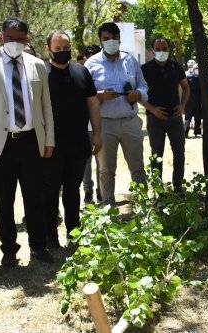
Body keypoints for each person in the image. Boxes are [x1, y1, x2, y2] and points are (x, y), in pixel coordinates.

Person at [0, 17, 55, 267]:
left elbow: (45, 106)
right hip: (0, 143)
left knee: (35, 198)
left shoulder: (37, 65)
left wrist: (49, 138)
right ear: (1, 37)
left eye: (20, 39)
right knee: (4, 200)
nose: (14, 43)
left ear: (27, 39)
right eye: (10, 38)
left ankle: (38, 246)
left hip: (31, 141)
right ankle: (9, 249)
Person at [42, 30, 101, 248]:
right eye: (57, 49)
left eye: (66, 48)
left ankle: (74, 232)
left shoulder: (81, 72)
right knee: (50, 190)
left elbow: (93, 104)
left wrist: (97, 133)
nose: (62, 52)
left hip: (78, 143)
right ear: (48, 49)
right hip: (51, 144)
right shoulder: (40, 73)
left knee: (72, 189)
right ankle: (50, 237)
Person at [85, 23, 148, 205]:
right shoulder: (91, 64)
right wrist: (100, 96)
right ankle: (108, 211)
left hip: (130, 122)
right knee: (106, 170)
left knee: (137, 168)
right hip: (104, 124)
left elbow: (144, 86)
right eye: (106, 39)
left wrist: (138, 94)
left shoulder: (130, 61)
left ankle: (143, 209)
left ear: (119, 39)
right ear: (100, 40)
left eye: (114, 38)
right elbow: (85, 95)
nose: (110, 42)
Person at [141, 38, 189, 191]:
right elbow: (138, 94)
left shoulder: (176, 66)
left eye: (165, 48)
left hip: (175, 117)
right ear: (152, 50)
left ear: (169, 49)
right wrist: (152, 109)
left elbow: (186, 88)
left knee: (179, 153)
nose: (162, 51)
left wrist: (182, 106)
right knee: (156, 154)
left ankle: (178, 186)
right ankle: (157, 189)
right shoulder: (145, 69)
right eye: (158, 48)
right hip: (154, 118)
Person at [80, 43, 103, 204]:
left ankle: (101, 190)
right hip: (83, 126)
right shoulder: (79, 74)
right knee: (86, 162)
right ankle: (88, 192)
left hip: (99, 125)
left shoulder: (102, 72)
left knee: (101, 161)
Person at [184, 62, 202, 137]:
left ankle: (197, 132)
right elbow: (185, 89)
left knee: (198, 117)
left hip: (198, 100)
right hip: (189, 100)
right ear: (193, 69)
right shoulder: (188, 77)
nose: (197, 70)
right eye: (196, 69)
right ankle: (185, 133)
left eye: (198, 69)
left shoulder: (201, 78)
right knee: (188, 117)